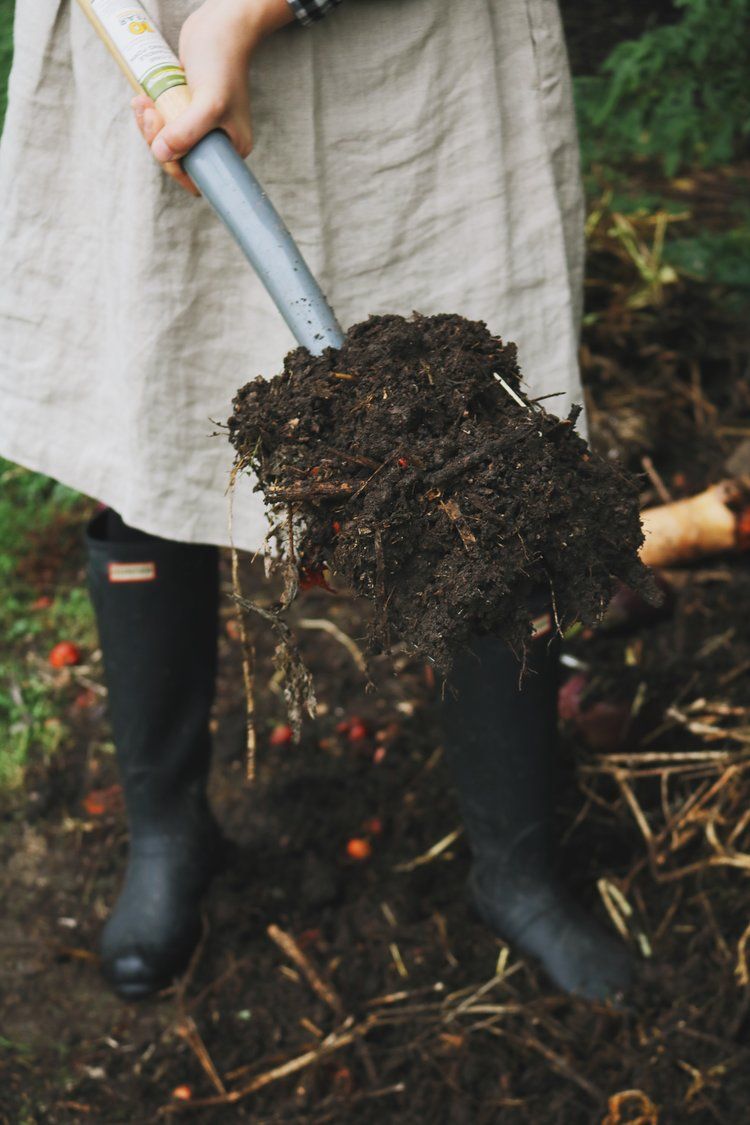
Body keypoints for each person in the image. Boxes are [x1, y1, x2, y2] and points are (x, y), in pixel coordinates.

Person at [0, 0, 632, 1001]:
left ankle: (517, 874)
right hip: (145, 36)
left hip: (418, 70)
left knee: (482, 474)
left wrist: (250, 13)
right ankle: (169, 835)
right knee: (152, 443)